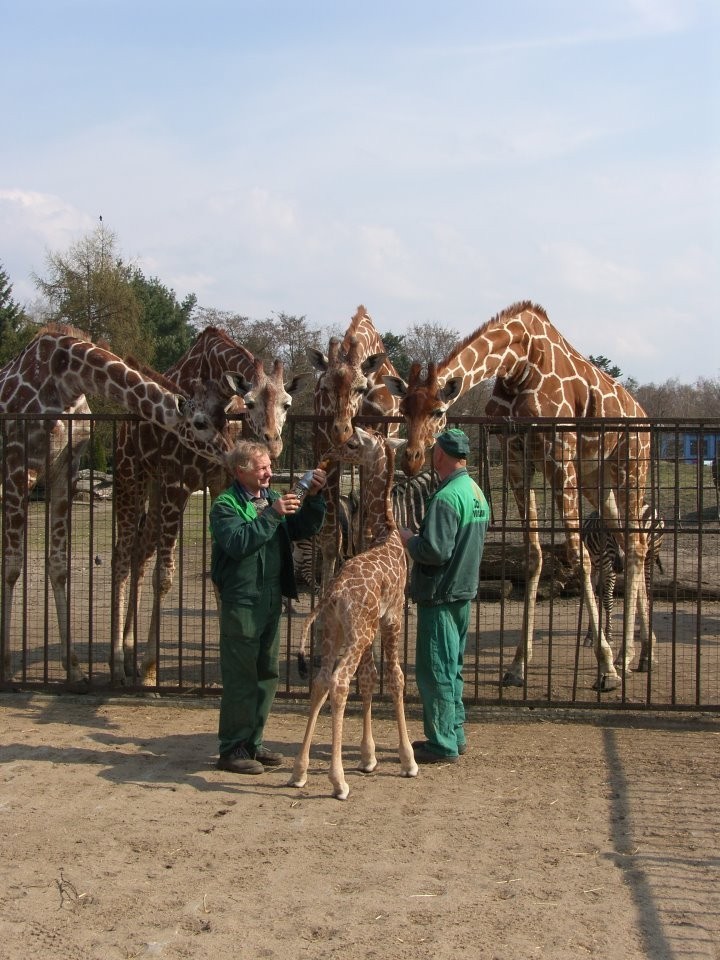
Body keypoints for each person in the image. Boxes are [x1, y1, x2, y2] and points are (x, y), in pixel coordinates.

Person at [210, 441, 327, 775]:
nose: (269, 473)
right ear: (240, 470)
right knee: (240, 678)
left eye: (269, 467)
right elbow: (237, 544)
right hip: (241, 604)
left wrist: (315, 498)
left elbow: (304, 528)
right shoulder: (225, 506)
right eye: (262, 468)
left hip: (270, 601)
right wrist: (272, 515)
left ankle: (253, 743)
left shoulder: (271, 499)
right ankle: (232, 748)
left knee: (266, 675)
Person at [399, 428, 489, 764]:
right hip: (463, 590)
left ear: (439, 454)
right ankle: (455, 732)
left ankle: (441, 743)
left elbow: (435, 551)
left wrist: (409, 538)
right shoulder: (475, 492)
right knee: (453, 666)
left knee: (435, 667)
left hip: (439, 591)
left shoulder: (446, 497)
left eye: (433, 448)